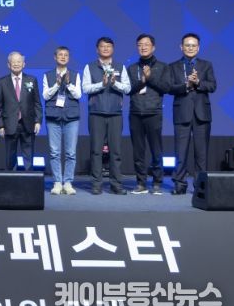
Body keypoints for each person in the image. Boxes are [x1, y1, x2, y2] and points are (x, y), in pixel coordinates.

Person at [167, 33, 217, 195]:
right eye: (187, 45)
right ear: (181, 47)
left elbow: (212, 86)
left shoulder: (206, 65)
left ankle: (200, 186)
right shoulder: (173, 66)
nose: (190, 48)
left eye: (193, 45)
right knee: (180, 152)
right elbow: (169, 88)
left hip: (202, 114)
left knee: (201, 154)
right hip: (182, 112)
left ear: (198, 47)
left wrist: (198, 82)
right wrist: (186, 85)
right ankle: (180, 184)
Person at [82, 36, 131, 195]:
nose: (105, 49)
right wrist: (101, 85)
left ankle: (116, 184)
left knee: (115, 152)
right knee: (96, 151)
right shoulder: (90, 67)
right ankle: (96, 184)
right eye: (102, 46)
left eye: (108, 46)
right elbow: (85, 88)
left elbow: (128, 88)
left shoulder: (120, 67)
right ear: (97, 49)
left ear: (113, 49)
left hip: (115, 114)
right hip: (96, 113)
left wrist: (114, 83)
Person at [128, 34, 170, 195]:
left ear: (153, 47)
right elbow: (128, 90)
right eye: (140, 44)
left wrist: (150, 78)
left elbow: (166, 88)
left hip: (153, 112)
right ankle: (141, 183)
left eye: (146, 44)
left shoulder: (162, 67)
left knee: (156, 150)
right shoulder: (132, 68)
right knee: (138, 151)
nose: (143, 47)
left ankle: (157, 182)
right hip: (135, 112)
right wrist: (142, 81)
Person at [43, 46, 82, 195]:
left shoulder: (75, 75)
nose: (63, 57)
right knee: (54, 152)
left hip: (71, 117)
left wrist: (69, 83)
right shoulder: (48, 75)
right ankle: (57, 182)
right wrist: (57, 85)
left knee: (71, 152)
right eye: (60, 54)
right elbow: (46, 95)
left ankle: (68, 182)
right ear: (55, 57)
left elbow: (78, 95)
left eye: (66, 55)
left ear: (69, 58)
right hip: (53, 116)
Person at [0, 51, 42, 171]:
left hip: (28, 123)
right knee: (10, 156)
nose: (16, 64)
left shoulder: (31, 80)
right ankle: (11, 179)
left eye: (19, 61)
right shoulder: (2, 82)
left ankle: (28, 179)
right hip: (9, 124)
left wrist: (38, 121)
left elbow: (37, 102)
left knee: (28, 155)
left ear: (23, 64)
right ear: (8, 65)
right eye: (13, 62)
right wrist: (0, 125)